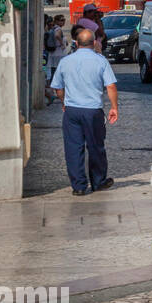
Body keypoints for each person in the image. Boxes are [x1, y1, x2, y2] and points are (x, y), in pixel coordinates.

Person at [50, 28, 119, 196]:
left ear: (76, 43)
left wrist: (63, 101)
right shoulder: (101, 61)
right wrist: (114, 107)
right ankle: (98, 181)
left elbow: (58, 88)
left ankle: (79, 186)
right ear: (94, 43)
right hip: (93, 111)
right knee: (96, 146)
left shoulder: (65, 61)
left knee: (73, 148)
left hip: (72, 111)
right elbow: (110, 86)